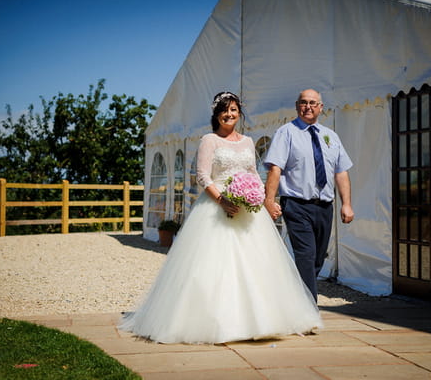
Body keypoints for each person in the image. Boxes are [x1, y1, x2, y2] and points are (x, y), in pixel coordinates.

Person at [119, 91, 322, 344]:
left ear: (239, 113)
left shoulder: (248, 142)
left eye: (234, 110)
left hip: (248, 211)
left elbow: (252, 173)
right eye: (224, 110)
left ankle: (265, 319)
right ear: (216, 114)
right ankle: (217, 323)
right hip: (216, 207)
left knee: (259, 266)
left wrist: (258, 197)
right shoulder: (209, 140)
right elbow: (203, 176)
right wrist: (223, 200)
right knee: (215, 267)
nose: (229, 114)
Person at [264, 88, 354, 301]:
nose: (308, 107)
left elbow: (341, 172)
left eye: (313, 103)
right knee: (306, 255)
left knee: (317, 259)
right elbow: (275, 169)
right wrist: (269, 200)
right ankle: (309, 308)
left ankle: (296, 299)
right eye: (304, 102)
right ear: (297, 106)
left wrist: (346, 204)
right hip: (296, 204)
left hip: (324, 206)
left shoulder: (330, 136)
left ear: (321, 108)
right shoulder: (285, 133)